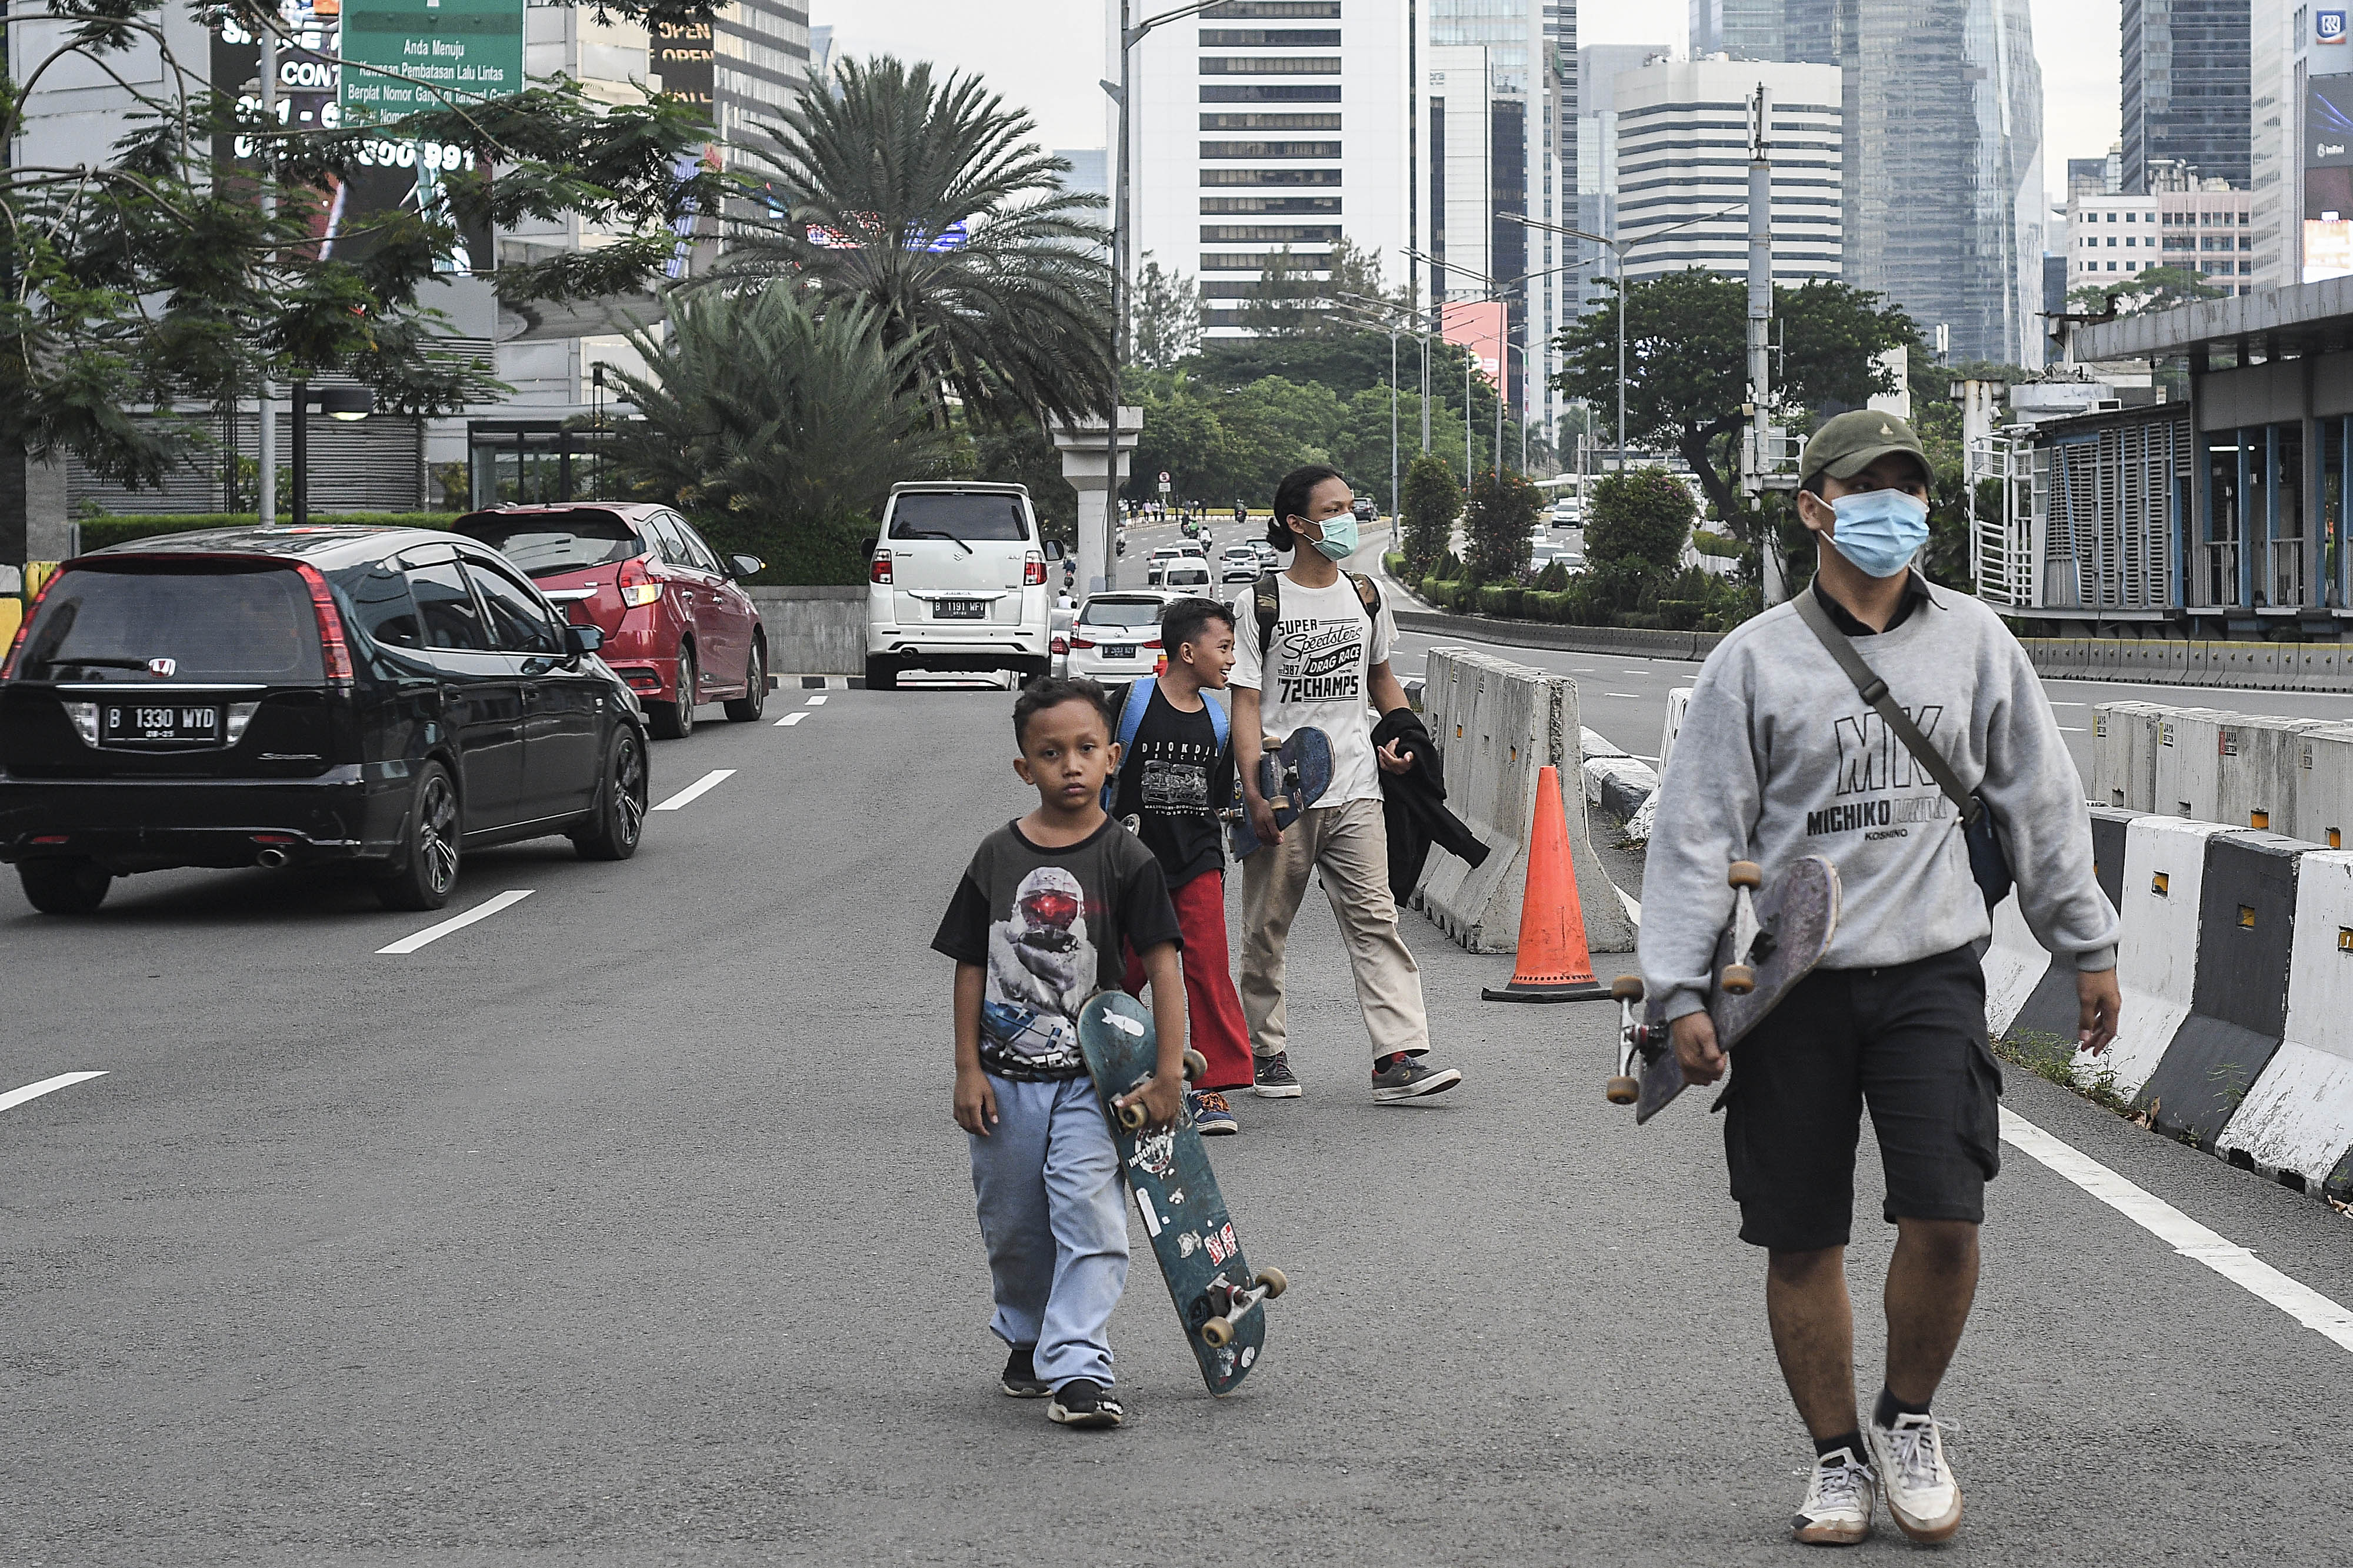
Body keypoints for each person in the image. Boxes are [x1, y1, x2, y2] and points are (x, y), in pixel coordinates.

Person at [1640, 410, 2122, 1546]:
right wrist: (1678, 993)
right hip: (1790, 988)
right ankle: (1837, 1457)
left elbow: (2039, 800)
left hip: (1931, 975)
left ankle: (1908, 1421)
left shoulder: (1977, 642)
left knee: (1948, 1220)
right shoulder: (1751, 659)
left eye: (1908, 488)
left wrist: (2086, 943)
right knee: (1802, 1236)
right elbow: (1697, 835)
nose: (1889, 509)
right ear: (1814, 506)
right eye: (1866, 489)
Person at [931, 676, 1188, 1430]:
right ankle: (1028, 1333)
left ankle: (1079, 1363)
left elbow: (1165, 966)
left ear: (1112, 756)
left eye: (1085, 749)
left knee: (1088, 1212)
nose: (1069, 766)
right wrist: (965, 1067)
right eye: (1050, 753)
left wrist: (1169, 1072)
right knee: (1014, 1225)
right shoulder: (994, 856)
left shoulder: (1127, 858)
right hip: (1005, 1084)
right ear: (1024, 767)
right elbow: (970, 965)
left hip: (1092, 1081)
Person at [1229, 464, 1463, 1103]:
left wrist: (1404, 738)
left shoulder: (1364, 594)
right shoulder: (1260, 601)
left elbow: (1381, 678)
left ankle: (1397, 1057)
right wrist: (1252, 788)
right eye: (1332, 509)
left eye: (1352, 506)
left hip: (1358, 785)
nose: (1348, 519)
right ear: (1296, 523)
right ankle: (1266, 1050)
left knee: (1375, 919)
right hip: (1286, 788)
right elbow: (1245, 702)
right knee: (1265, 928)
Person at [1107, 598, 1253, 1136]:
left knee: (1208, 969)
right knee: (1123, 972)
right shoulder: (1132, 701)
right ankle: (1108, 1068)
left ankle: (1211, 1088)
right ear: (1187, 652)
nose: (1231, 660)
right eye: (1225, 648)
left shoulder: (1219, 720)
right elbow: (1101, 765)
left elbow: (1220, 798)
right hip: (1134, 865)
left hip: (1198, 862)